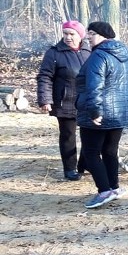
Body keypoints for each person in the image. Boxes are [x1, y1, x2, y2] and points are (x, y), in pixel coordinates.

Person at [75, 21, 128, 208]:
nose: (88, 37)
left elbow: (94, 87)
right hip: (118, 113)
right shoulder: (123, 54)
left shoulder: (98, 56)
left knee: (91, 153)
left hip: (99, 113)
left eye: (91, 33)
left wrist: (94, 111)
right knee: (109, 151)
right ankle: (114, 187)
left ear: (103, 35)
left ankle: (104, 190)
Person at [37, 20, 91, 181]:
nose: (68, 37)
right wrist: (45, 100)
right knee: (68, 136)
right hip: (65, 101)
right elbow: (44, 77)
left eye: (72, 34)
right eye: (65, 33)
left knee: (90, 135)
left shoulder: (90, 50)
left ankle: (84, 165)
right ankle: (70, 168)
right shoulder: (54, 53)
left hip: (87, 101)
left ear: (80, 36)